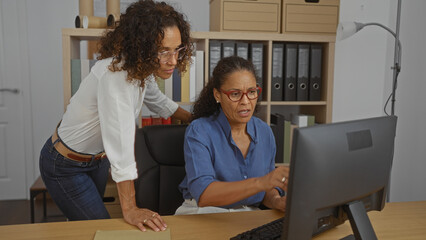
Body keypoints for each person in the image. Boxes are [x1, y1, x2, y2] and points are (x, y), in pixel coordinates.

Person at [39, 0, 192, 232]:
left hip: (97, 161)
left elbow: (159, 102)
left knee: (91, 231)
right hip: (65, 165)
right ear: (142, 47)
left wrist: (195, 119)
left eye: (177, 50)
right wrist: (130, 208)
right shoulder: (116, 76)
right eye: (163, 51)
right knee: (102, 230)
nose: (173, 61)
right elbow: (121, 143)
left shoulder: (141, 69)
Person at [175, 56, 289, 215]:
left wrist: (277, 201)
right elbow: (204, 195)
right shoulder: (199, 130)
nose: (245, 101)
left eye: (251, 92)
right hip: (203, 213)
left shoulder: (265, 132)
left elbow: (267, 191)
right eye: (235, 94)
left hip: (248, 214)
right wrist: (261, 183)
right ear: (217, 95)